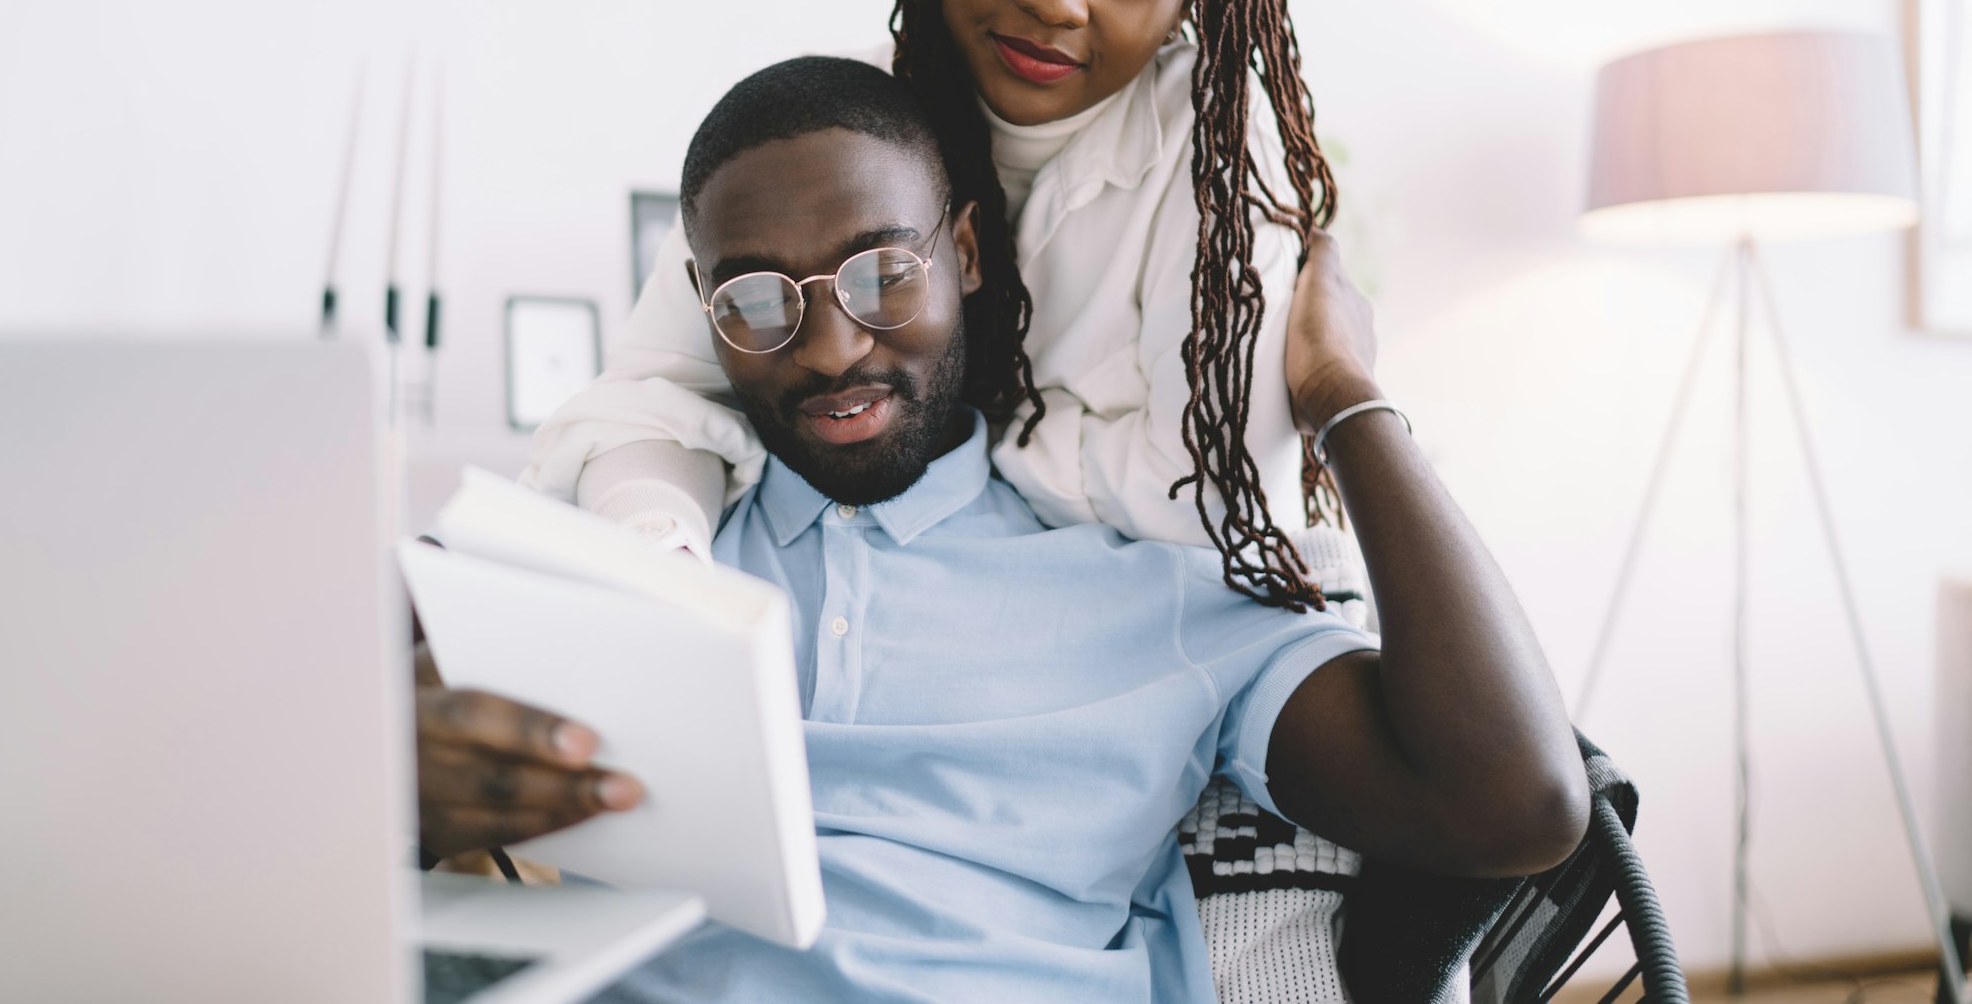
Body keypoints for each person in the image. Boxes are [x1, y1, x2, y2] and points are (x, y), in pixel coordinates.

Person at [416, 58, 1587, 1002]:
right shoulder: (630, 558)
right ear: (700, 306)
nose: (829, 350)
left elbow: (1515, 801)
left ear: (961, 255)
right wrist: (403, 802)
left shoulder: (1155, 584)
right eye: (758, 301)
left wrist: (1340, 396)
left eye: (881, 274)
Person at [523, 0, 1355, 612]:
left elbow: (1207, 492)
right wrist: (660, 555)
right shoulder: (837, 127)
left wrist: (967, 425)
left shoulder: (1216, 163)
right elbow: (651, 404)